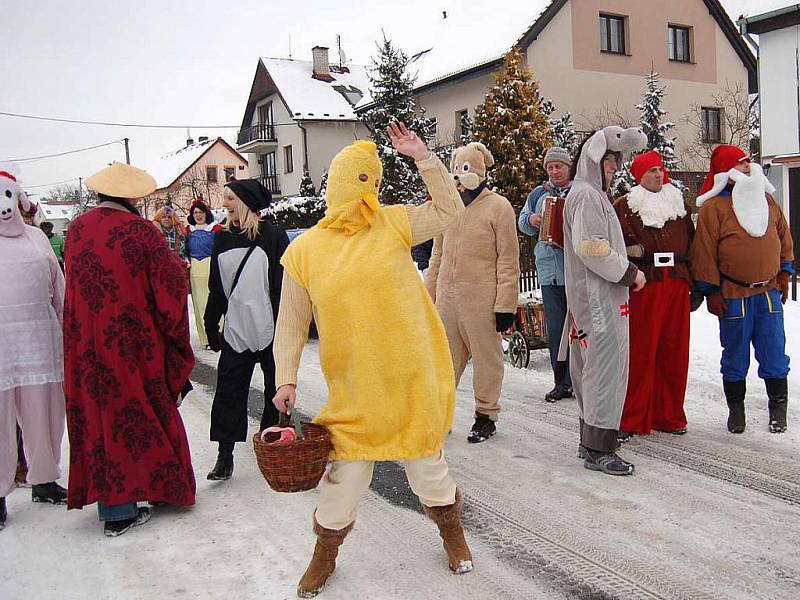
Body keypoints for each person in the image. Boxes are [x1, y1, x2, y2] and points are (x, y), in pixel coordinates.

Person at [272, 123, 473, 598]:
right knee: (343, 484)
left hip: (410, 380)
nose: (370, 191)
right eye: (365, 181)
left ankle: (452, 533)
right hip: (355, 390)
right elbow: (290, 322)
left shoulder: (394, 222)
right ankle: (324, 555)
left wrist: (423, 156)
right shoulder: (304, 251)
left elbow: (449, 208)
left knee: (429, 473)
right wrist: (286, 378)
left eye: (374, 182)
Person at [64, 163, 196, 537]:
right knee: (144, 411)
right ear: (133, 197)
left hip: (86, 343)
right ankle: (151, 493)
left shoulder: (76, 231)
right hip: (133, 342)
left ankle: (115, 501)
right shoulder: (142, 233)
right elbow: (168, 288)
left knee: (101, 417)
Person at [561, 127, 647, 476]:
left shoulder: (589, 195)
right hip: (598, 300)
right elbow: (592, 247)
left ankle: (592, 439)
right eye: (610, 160)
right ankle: (599, 449)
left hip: (595, 298)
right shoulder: (587, 197)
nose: (614, 167)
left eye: (616, 161)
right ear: (595, 159)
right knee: (605, 371)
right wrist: (629, 272)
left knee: (593, 370)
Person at [692, 145, 794, 434]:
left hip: (768, 293)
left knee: (774, 352)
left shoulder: (767, 200)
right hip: (734, 295)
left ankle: (778, 411)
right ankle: (736, 411)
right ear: (726, 170)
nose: (748, 165)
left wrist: (785, 272)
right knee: (735, 356)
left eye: (749, 161)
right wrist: (710, 290)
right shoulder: (714, 208)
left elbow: (783, 236)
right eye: (741, 162)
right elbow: (704, 253)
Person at [425, 142, 520, 443]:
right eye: (455, 170)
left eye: (464, 170)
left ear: (478, 171)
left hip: (482, 300)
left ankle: (485, 415)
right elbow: (436, 256)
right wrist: (428, 297)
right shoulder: (449, 207)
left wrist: (505, 305)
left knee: (487, 360)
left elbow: (508, 260)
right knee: (444, 361)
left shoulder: (499, 207)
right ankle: (440, 414)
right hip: (447, 299)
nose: (458, 177)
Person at [203, 179, 289, 481]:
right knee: (228, 393)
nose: (224, 203)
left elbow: (283, 286)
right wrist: (210, 323)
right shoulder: (221, 239)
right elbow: (216, 287)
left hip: (271, 330)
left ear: (247, 202)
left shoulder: (274, 236)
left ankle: (269, 444)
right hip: (237, 331)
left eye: (230, 198)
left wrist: (287, 329)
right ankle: (224, 456)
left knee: (274, 393)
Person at [0, 168, 68, 531]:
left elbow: (58, 285)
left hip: (41, 341)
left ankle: (43, 478)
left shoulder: (37, 240)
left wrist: (67, 324)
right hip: (1, 347)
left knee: (44, 413)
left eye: (9, 196)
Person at [613, 151, 695, 439]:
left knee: (674, 351)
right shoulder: (625, 205)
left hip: (676, 283)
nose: (658, 175)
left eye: (660, 170)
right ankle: (633, 417)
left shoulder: (679, 205)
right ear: (639, 175)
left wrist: (694, 285)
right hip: (644, 285)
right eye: (651, 171)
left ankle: (670, 415)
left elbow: (693, 244)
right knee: (642, 352)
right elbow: (616, 245)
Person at [518, 146, 574, 401]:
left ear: (568, 167)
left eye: (558, 166)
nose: (554, 171)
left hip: (575, 271)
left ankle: (583, 380)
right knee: (555, 328)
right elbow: (522, 221)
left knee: (580, 330)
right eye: (550, 167)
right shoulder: (539, 193)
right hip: (549, 272)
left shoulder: (579, 191)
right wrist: (531, 220)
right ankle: (561, 382)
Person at [185, 199, 222, 348]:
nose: (198, 215)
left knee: (215, 302)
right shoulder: (187, 230)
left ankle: (219, 336)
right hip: (195, 269)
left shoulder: (216, 228)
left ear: (206, 213)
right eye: (195, 213)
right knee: (199, 305)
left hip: (211, 266)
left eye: (201, 212)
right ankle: (205, 339)